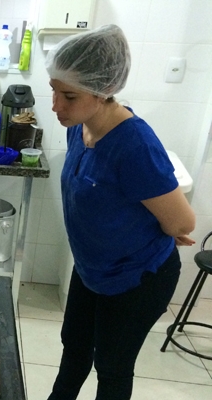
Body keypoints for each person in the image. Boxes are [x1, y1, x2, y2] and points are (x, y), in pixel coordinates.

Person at [45, 24, 196, 400]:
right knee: (74, 349)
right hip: (92, 266)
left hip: (137, 278)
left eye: (68, 95)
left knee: (111, 366)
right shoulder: (78, 126)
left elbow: (184, 222)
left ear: (103, 91)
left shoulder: (134, 145)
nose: (55, 106)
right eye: (53, 90)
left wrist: (167, 223)